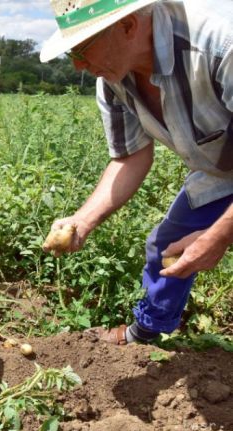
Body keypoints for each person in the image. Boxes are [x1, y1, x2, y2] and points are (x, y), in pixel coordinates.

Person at [40, 0, 232, 344]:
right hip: (221, 174)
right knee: (166, 247)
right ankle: (149, 331)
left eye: (83, 49)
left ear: (128, 26)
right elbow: (130, 158)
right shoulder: (114, 78)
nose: (78, 65)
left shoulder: (220, 49)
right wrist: (83, 220)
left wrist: (217, 236)